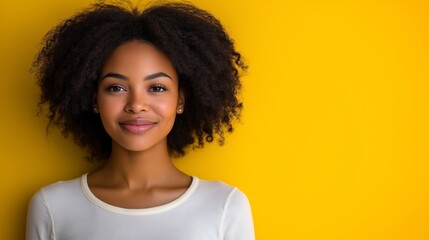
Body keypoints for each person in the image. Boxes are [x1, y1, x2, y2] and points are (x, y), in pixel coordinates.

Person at [26, 1, 254, 240]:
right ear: (94, 99)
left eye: (156, 87)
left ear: (181, 100)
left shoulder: (224, 207)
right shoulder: (52, 207)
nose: (136, 105)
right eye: (116, 87)